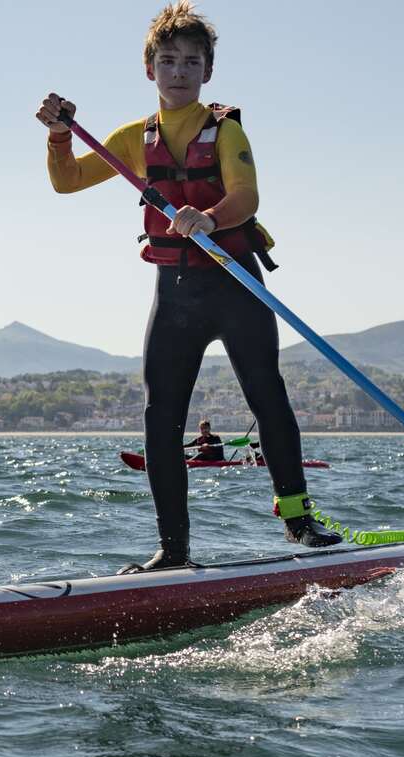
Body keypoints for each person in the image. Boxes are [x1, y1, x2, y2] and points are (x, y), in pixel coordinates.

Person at [36, 2, 340, 572]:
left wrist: (209, 218)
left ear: (208, 71)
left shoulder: (226, 129)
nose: (179, 72)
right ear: (150, 69)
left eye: (192, 62)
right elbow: (68, 181)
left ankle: (299, 520)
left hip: (235, 282)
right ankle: (172, 552)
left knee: (266, 393)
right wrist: (58, 136)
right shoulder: (132, 138)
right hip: (175, 292)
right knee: (160, 416)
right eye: (169, 61)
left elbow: (247, 196)